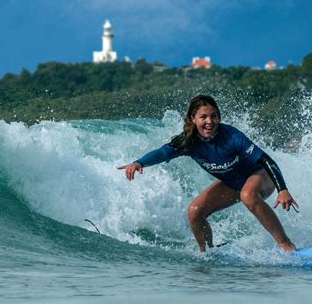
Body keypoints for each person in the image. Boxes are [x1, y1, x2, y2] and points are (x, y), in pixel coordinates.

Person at [117, 94, 298, 252]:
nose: (209, 121)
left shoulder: (231, 136)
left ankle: (286, 244)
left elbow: (267, 161)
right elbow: (163, 153)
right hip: (233, 183)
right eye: (203, 117)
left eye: (214, 116)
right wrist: (139, 162)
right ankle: (208, 253)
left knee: (248, 195)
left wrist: (282, 189)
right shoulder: (188, 142)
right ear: (193, 119)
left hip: (260, 176)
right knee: (195, 212)